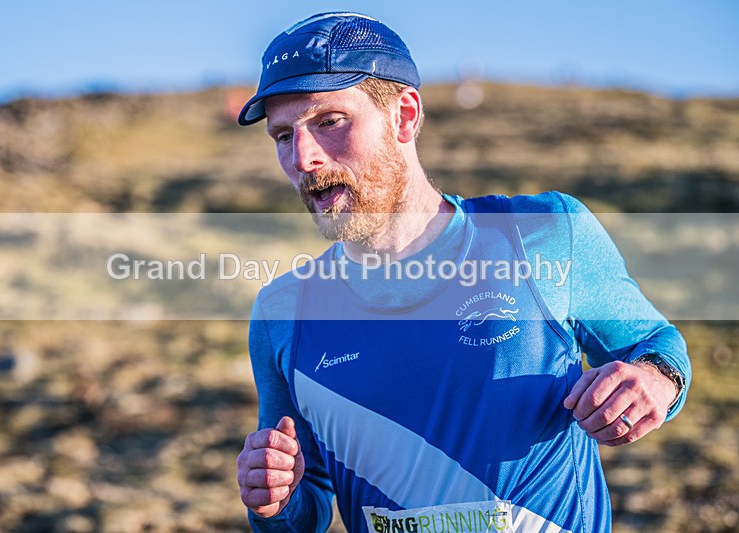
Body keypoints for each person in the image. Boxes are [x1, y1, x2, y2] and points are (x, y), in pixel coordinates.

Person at [235, 12, 690, 533]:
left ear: (404, 116)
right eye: (283, 135)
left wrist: (656, 380)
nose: (303, 157)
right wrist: (275, 501)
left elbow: (654, 343)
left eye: (329, 122)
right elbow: (305, 501)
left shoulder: (541, 232)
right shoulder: (282, 312)